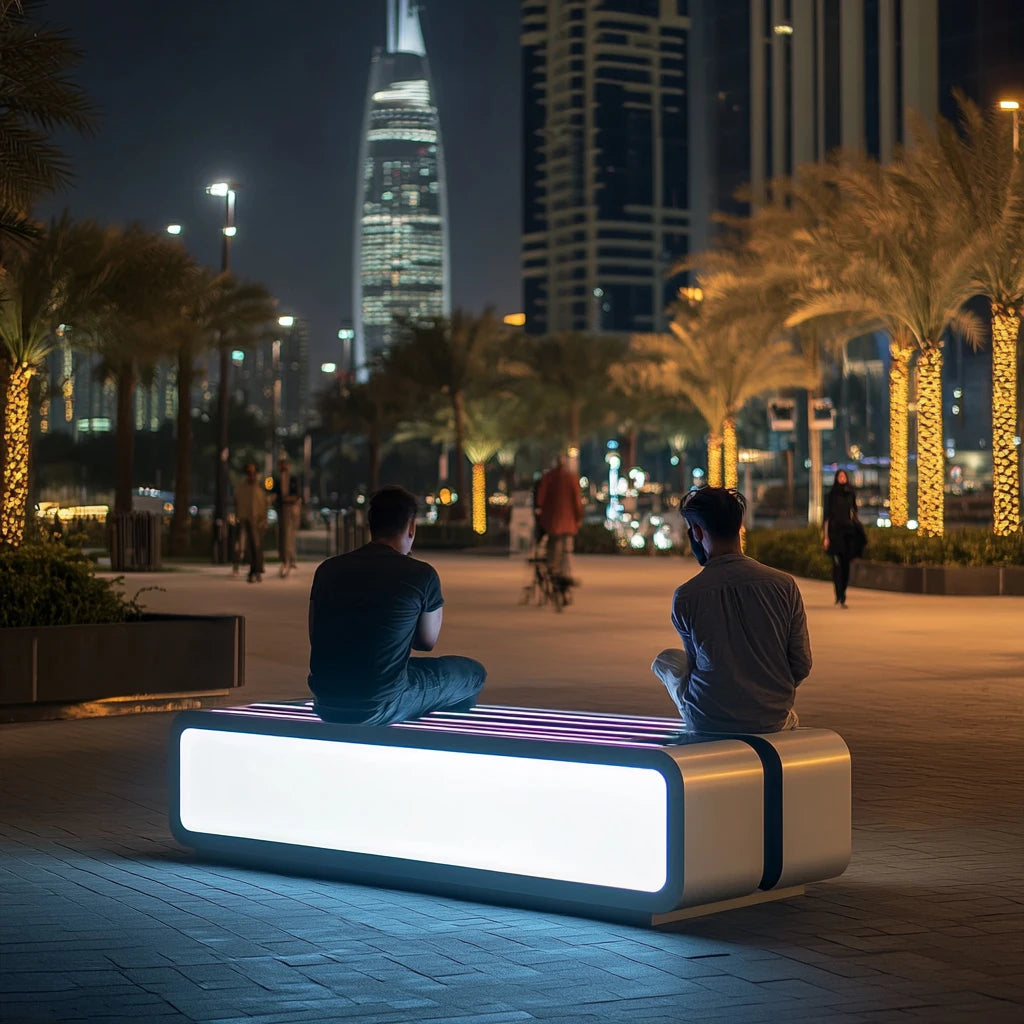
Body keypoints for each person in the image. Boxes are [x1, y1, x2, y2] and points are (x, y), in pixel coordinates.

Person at [308, 485, 487, 726]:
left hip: (326, 699)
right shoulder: (421, 574)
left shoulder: (327, 570)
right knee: (472, 673)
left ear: (371, 525)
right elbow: (427, 642)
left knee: (401, 670)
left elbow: (316, 634)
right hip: (381, 702)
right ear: (411, 527)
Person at [651, 487, 812, 734]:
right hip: (772, 718)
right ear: (740, 526)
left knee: (666, 661)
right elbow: (801, 665)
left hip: (708, 719)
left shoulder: (686, 596)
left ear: (696, 532)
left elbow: (696, 666)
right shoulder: (784, 585)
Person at [534, 452, 583, 586]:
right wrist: (578, 519)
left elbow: (540, 500)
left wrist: (540, 512)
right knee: (567, 548)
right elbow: (577, 501)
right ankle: (565, 573)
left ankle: (553, 571)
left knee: (553, 545)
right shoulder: (571, 478)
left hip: (552, 521)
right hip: (568, 522)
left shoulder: (548, 478)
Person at [823, 469, 865, 608]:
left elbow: (854, 512)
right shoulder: (831, 495)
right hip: (835, 534)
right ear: (836, 478)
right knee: (837, 565)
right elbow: (827, 518)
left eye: (844, 476)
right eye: (840, 476)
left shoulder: (850, 493)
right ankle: (838, 595)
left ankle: (843, 595)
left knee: (846, 566)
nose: (842, 478)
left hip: (848, 533)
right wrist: (826, 537)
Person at [233, 462, 269, 583]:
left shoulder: (259, 490)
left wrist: (263, 520)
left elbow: (264, 506)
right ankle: (252, 569)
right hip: (245, 521)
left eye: (253, 472)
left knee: (256, 547)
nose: (251, 475)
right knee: (246, 546)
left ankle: (256, 570)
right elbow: (238, 504)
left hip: (256, 522)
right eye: (249, 472)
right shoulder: (242, 489)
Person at [272, 456, 302, 577]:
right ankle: (286, 557)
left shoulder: (293, 479)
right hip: (282, 509)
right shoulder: (276, 480)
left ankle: (290, 557)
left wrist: (290, 499)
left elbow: (297, 495)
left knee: (290, 533)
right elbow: (274, 494)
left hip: (291, 508)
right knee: (283, 534)